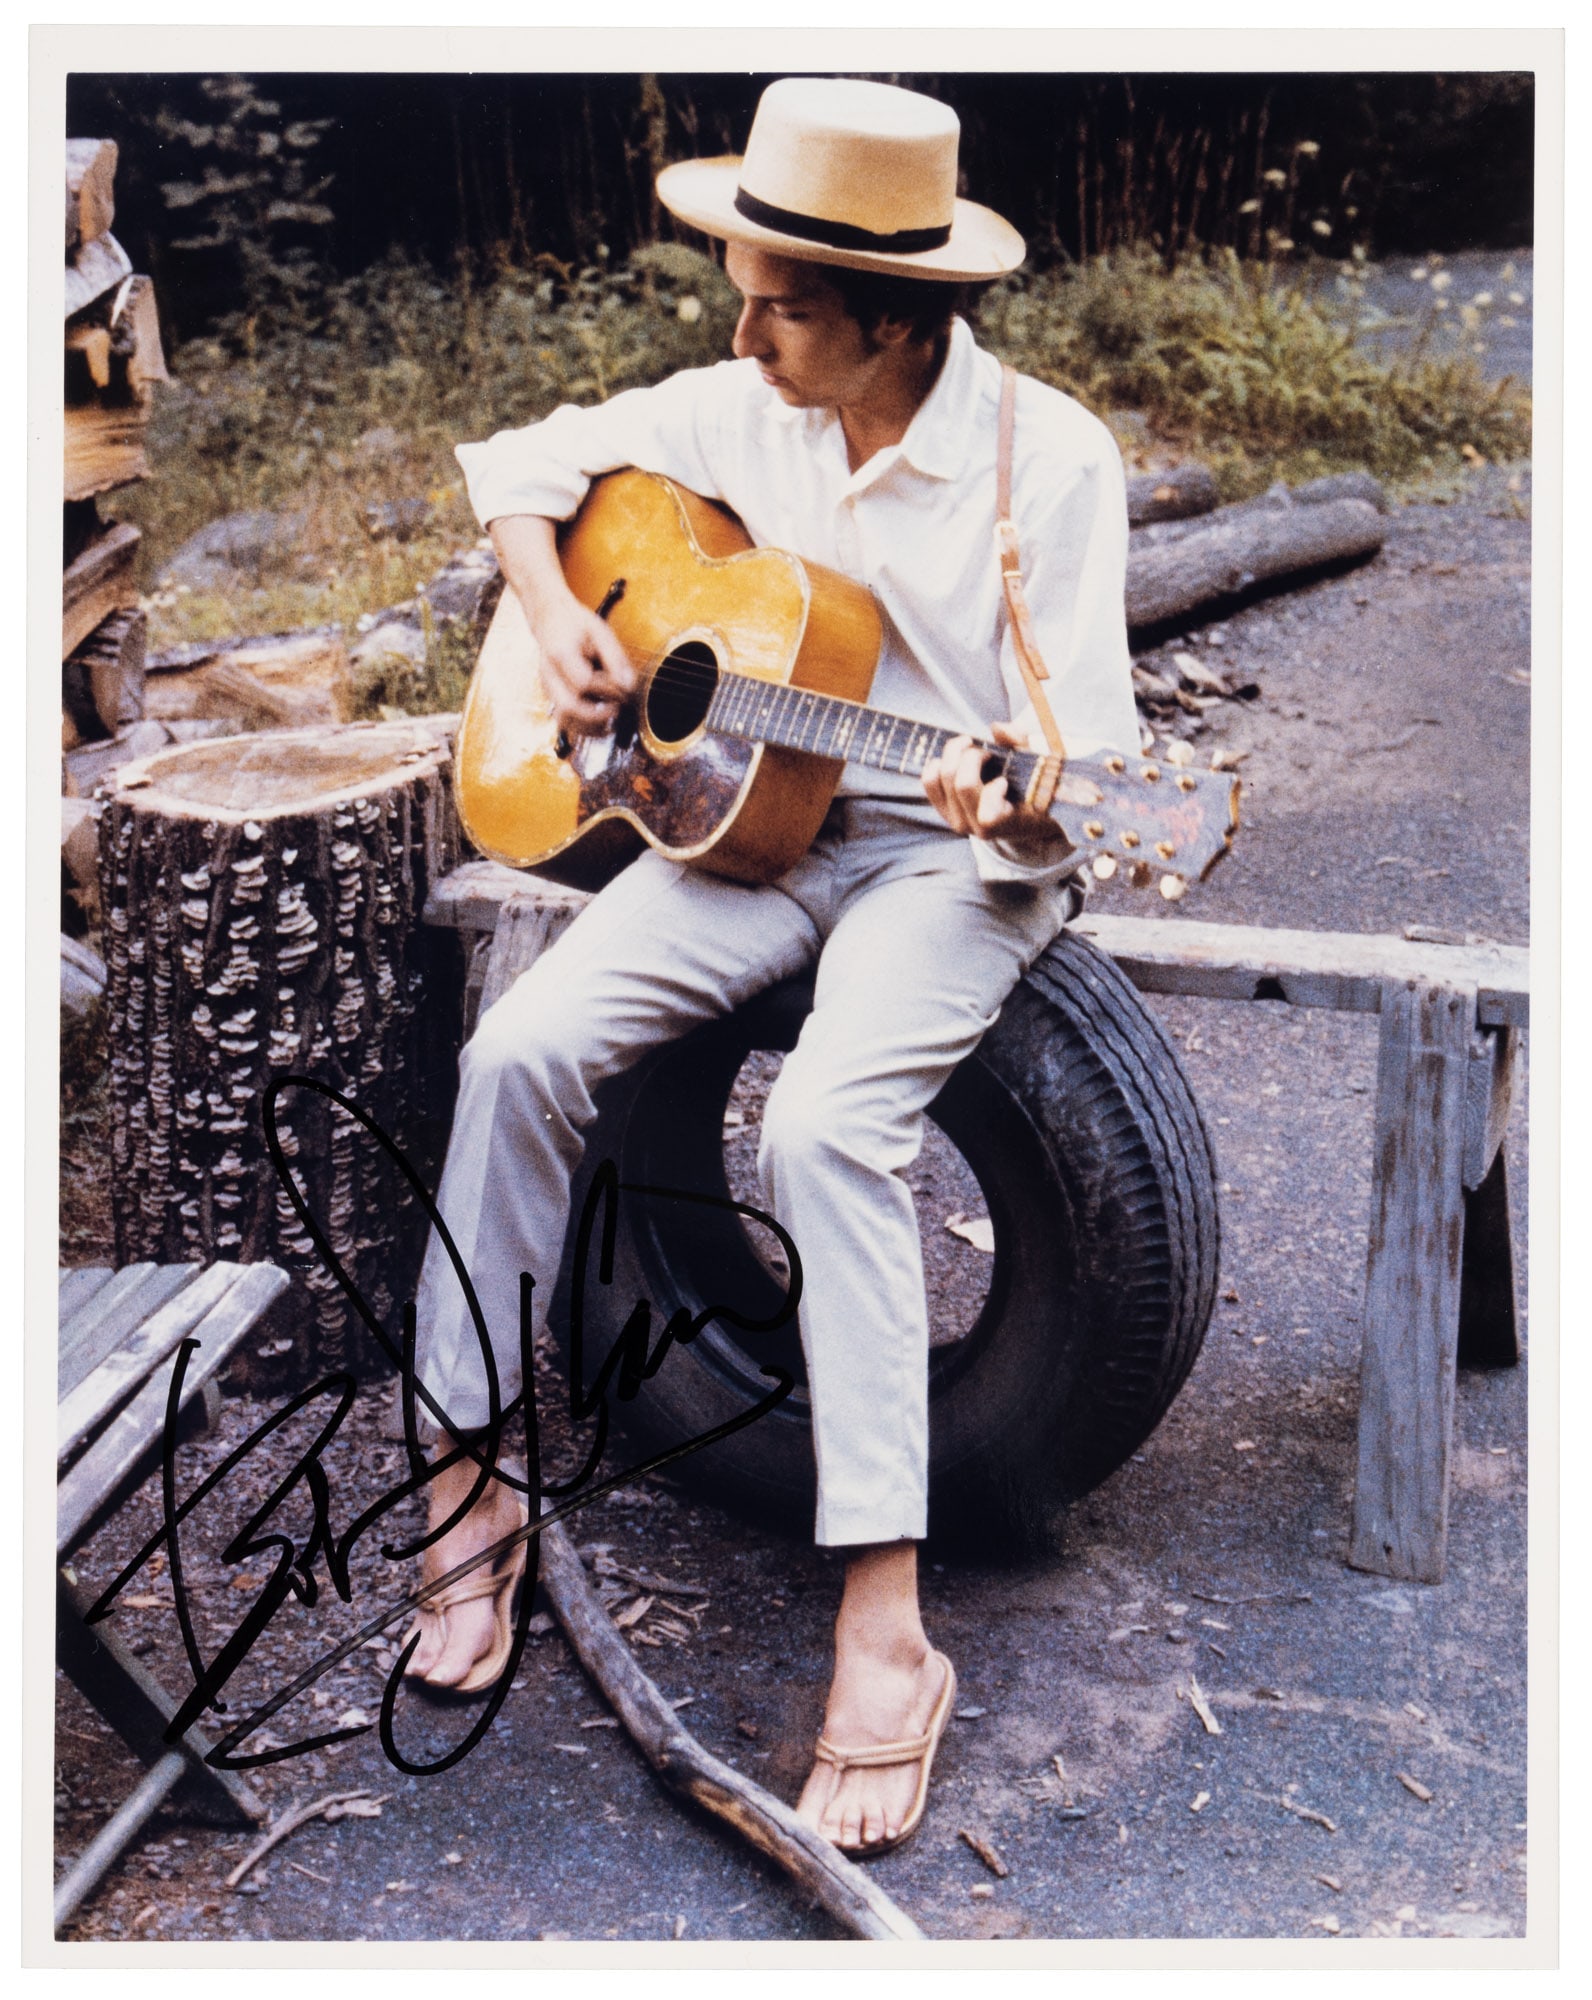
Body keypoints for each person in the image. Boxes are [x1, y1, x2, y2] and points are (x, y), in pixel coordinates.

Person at [402, 75, 1139, 1858]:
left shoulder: (1055, 466)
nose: (739, 330)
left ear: (895, 316)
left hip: (940, 864)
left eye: (779, 302)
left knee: (821, 1131)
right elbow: (525, 465)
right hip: (745, 834)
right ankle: (469, 1491)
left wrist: (1007, 809)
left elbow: (1086, 796)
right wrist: (556, 609)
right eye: (739, 288)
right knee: (516, 1055)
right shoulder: (744, 405)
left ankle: (885, 1626)